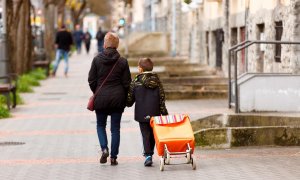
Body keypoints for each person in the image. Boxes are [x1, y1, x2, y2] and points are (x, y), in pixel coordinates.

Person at [88, 32, 131, 166]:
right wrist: (124, 96)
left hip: (101, 98)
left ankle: (104, 148)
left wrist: (97, 91)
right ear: (117, 45)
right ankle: (113, 157)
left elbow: (91, 80)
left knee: (101, 125)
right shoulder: (122, 61)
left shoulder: (96, 59)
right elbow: (127, 83)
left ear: (105, 44)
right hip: (118, 99)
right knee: (115, 129)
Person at [127, 58, 168, 167]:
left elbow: (130, 98)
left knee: (145, 134)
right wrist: (164, 112)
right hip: (155, 112)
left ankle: (148, 155)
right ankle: (151, 153)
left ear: (140, 69)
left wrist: (128, 103)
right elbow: (162, 97)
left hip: (142, 113)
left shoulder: (136, 81)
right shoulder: (157, 80)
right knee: (153, 134)